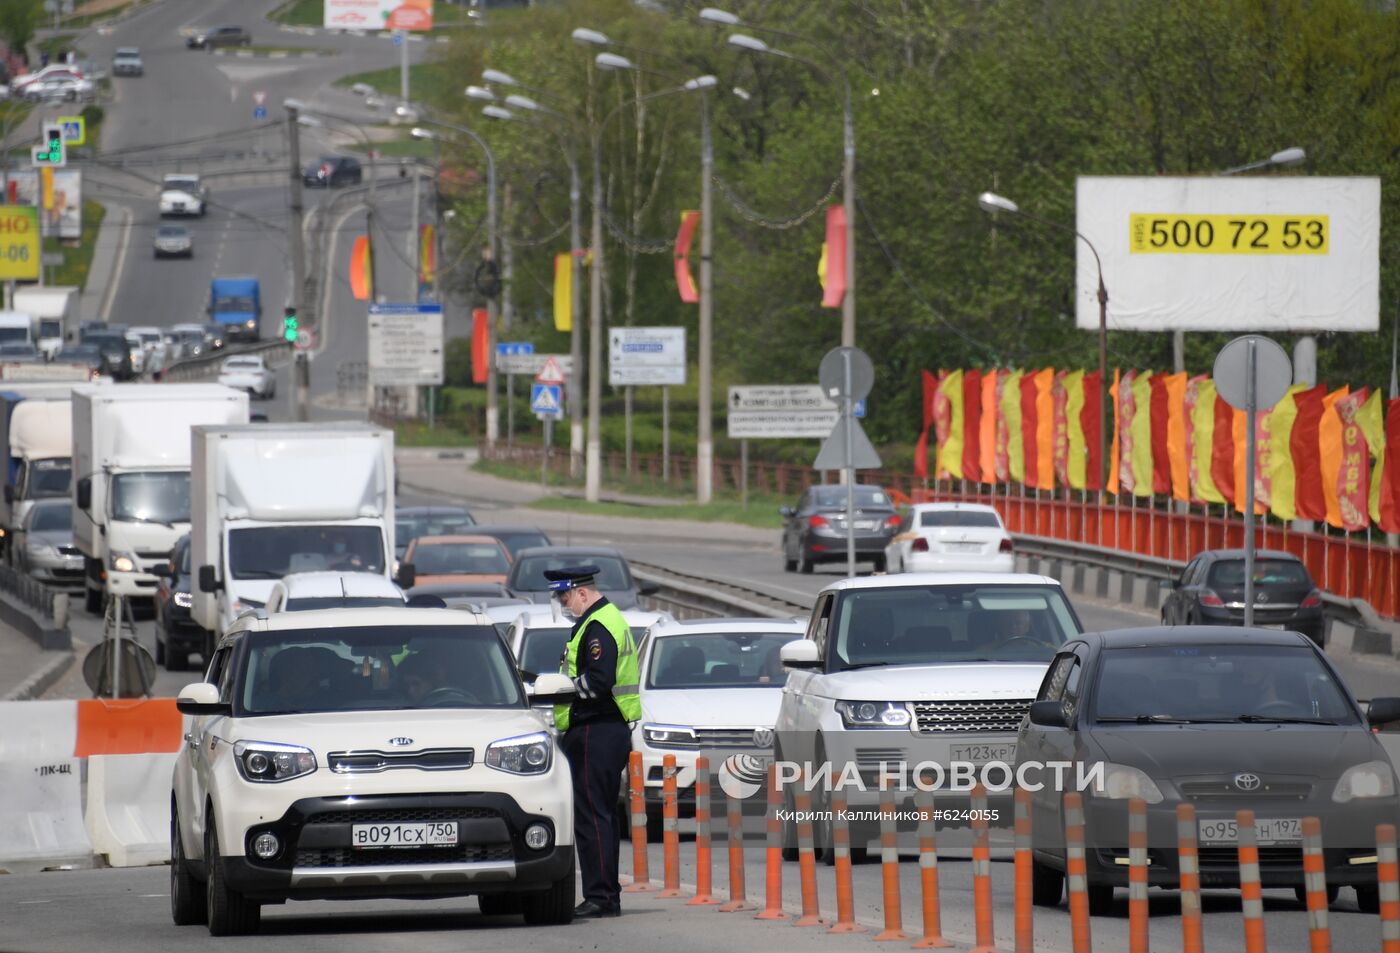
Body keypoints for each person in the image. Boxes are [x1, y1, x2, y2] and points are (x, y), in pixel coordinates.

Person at [547, 565, 639, 920]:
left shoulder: (598, 626)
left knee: (592, 817)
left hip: (595, 729)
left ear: (582, 593)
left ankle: (601, 896)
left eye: (565, 596)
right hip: (604, 729)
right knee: (602, 816)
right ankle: (607, 893)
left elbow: (598, 681)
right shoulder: (605, 620)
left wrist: (560, 690)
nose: (564, 603)